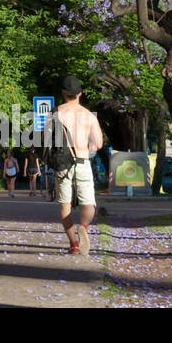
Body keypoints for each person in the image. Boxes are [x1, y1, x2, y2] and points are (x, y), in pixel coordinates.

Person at [52, 76, 105, 254]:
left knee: (65, 205)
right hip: (83, 162)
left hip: (62, 164)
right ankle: (83, 226)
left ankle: (74, 244)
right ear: (80, 94)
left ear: (63, 94)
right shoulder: (88, 116)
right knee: (88, 203)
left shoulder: (55, 113)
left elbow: (44, 140)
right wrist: (85, 147)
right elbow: (98, 144)